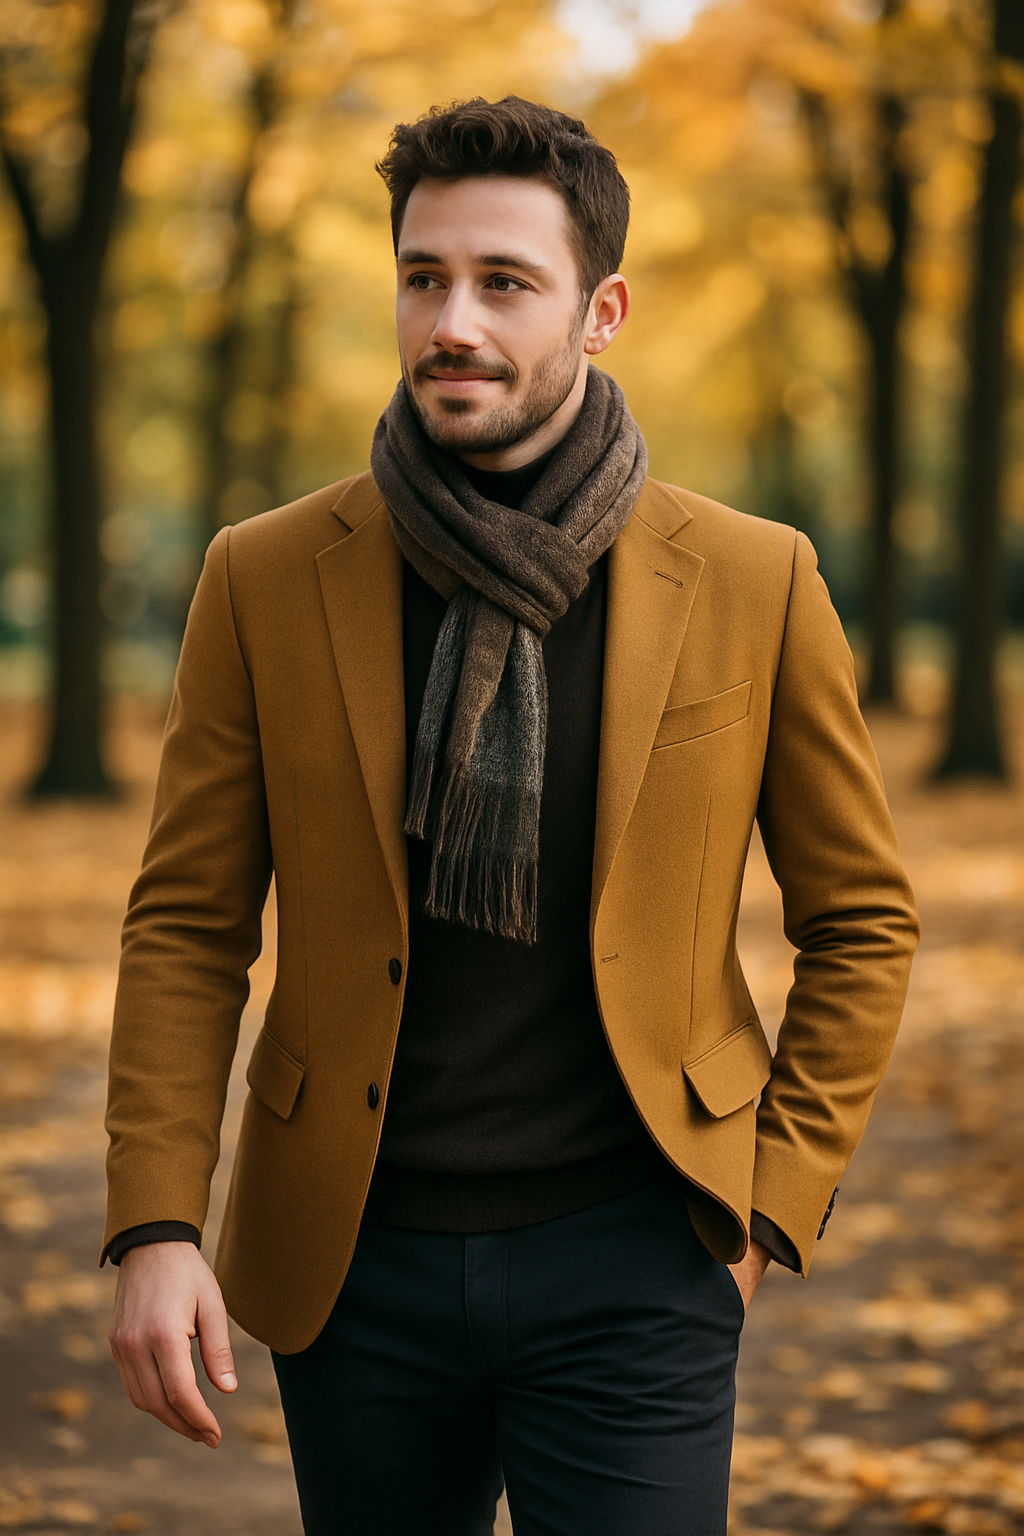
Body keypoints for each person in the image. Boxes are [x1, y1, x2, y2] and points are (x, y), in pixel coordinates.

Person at [104, 96, 919, 1536]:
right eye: (423, 278)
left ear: (602, 312)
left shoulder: (755, 580)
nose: (452, 324)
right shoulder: (264, 576)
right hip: (354, 1258)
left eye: (504, 282)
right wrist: (158, 1223)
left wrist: (769, 1208)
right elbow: (187, 925)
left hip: (642, 1254)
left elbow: (861, 918)